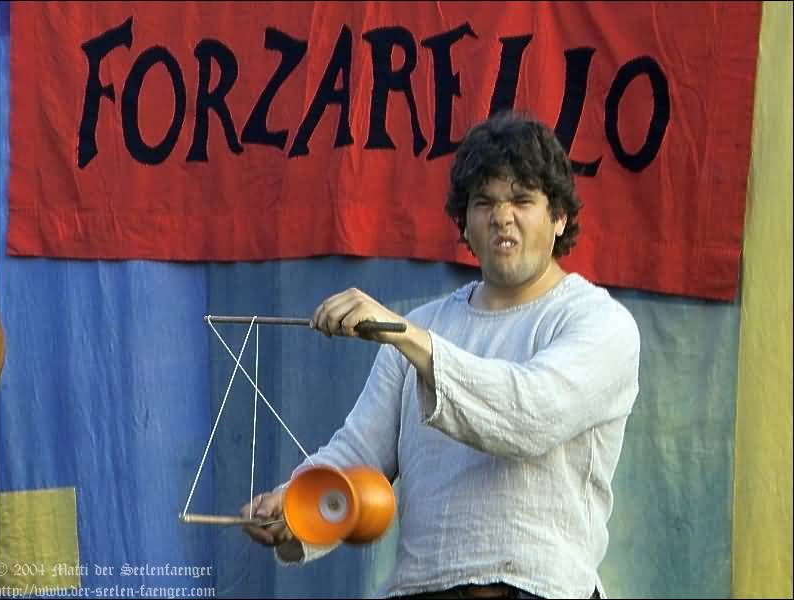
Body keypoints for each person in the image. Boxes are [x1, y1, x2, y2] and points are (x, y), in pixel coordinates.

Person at [240, 111, 640, 599]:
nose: (501, 217)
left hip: (542, 589)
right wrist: (293, 507)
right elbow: (360, 457)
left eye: (522, 200)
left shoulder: (599, 322)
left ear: (559, 217)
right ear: (465, 223)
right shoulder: (420, 327)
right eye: (483, 202)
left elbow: (529, 417)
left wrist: (409, 337)